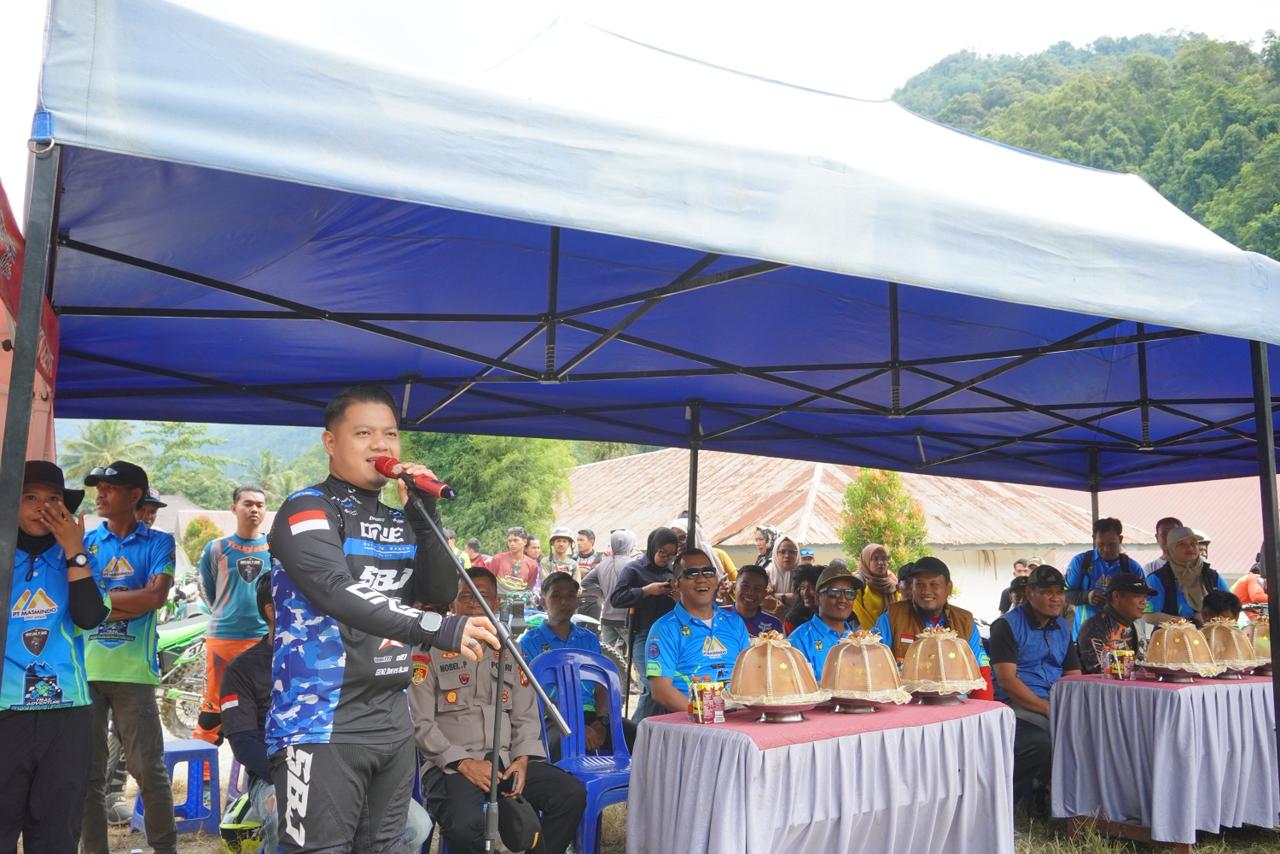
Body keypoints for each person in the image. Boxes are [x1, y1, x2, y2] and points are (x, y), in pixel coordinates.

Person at [266, 384, 498, 852]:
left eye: (390, 434)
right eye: (364, 433)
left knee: (388, 845)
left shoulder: (398, 520)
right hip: (320, 724)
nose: (381, 445)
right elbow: (335, 588)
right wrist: (438, 628)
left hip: (392, 721)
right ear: (330, 442)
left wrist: (424, 515)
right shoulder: (306, 508)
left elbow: (437, 593)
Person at [223, 574, 433, 854]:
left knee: (416, 824)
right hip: (275, 773)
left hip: (345, 766)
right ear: (272, 610)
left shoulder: (338, 656)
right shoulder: (242, 670)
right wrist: (284, 778)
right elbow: (243, 743)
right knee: (282, 819)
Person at [412, 566, 586, 854]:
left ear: (495, 603)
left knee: (570, 794)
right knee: (464, 825)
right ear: (452, 603)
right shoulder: (428, 650)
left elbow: (525, 715)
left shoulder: (510, 651)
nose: (473, 602)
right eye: (466, 596)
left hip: (506, 762)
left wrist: (522, 759)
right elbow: (420, 724)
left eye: (483, 596)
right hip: (452, 766)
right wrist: (464, 763)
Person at [1, 461, 108, 853]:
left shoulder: (82, 559)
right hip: (5, 711)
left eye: (53, 499)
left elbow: (89, 616)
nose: (41, 507)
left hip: (67, 713)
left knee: (57, 833)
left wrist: (74, 552)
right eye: (29, 497)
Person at [79, 460, 178, 854]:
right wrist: (126, 603)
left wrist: (98, 605)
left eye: (110, 488)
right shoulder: (85, 542)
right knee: (87, 776)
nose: (100, 494)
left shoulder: (159, 542)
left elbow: (156, 597)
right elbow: (77, 604)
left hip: (134, 673)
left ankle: (165, 849)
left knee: (148, 770)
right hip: (84, 671)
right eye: (98, 488)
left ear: (135, 494)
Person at [988, 564, 1081, 815]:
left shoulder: (1062, 626)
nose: (1056, 598)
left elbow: (1073, 674)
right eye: (1047, 592)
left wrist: (1072, 707)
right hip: (1016, 703)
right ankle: (1008, 807)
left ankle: (1075, 806)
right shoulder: (1006, 626)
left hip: (1054, 700)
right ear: (1029, 593)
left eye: (1059, 592)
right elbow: (1007, 681)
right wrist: (1048, 709)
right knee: (1044, 737)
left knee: (1092, 730)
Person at [519, 573, 636, 759]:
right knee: (563, 744)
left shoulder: (588, 639)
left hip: (591, 714)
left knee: (637, 735)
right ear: (543, 602)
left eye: (570, 596)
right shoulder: (529, 642)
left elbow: (601, 685)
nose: (564, 601)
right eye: (556, 595)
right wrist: (576, 727)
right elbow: (534, 693)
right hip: (551, 718)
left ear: (577, 601)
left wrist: (601, 721)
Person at [192, 484, 271, 744]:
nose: (254, 509)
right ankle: (203, 767)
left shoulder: (275, 548)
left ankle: (260, 767)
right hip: (223, 638)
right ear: (234, 508)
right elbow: (208, 591)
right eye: (248, 504)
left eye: (259, 505)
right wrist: (226, 611)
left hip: (263, 639)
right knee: (213, 709)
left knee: (264, 705)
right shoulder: (216, 548)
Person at [645, 549, 751, 713]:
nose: (701, 579)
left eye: (708, 572)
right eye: (692, 573)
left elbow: (750, 673)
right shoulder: (664, 629)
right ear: (676, 584)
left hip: (738, 716)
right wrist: (708, 714)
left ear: (716, 580)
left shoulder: (734, 622)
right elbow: (661, 691)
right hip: (693, 720)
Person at [872, 556, 992, 698]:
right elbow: (873, 665)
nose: (926, 591)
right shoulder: (892, 617)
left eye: (934, 584)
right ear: (912, 587)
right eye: (920, 584)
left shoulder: (964, 621)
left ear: (948, 588)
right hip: (906, 704)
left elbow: (981, 670)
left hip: (956, 704)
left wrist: (983, 708)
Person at [609, 528, 680, 721]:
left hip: (670, 638)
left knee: (669, 686)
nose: (666, 558)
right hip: (643, 634)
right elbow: (616, 599)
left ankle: (654, 730)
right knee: (653, 687)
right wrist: (645, 591)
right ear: (653, 547)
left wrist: (678, 598)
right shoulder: (634, 569)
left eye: (671, 554)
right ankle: (634, 732)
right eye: (662, 552)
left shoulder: (673, 571)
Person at [1063, 518, 1146, 634]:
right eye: (1101, 544)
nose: (1106, 549)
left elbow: (1143, 602)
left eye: (1112, 544)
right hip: (1085, 634)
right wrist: (1087, 596)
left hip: (1121, 636)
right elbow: (1066, 594)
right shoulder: (1081, 562)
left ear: (1120, 539)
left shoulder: (1132, 568)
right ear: (1094, 539)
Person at [788, 563, 864, 680]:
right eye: (834, 592)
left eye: (849, 593)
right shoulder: (799, 640)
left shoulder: (860, 639)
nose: (843, 599)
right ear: (817, 598)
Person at [1144, 525, 1229, 623]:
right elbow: (1149, 616)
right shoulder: (1158, 578)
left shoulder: (1212, 576)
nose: (1190, 548)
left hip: (1212, 631)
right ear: (1171, 549)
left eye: (1194, 543)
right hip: (1171, 632)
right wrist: (1188, 622)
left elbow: (1231, 606)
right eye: (1182, 544)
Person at [1076, 573, 1155, 674]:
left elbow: (1143, 665)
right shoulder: (1094, 626)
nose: (1144, 602)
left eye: (1145, 597)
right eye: (1137, 596)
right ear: (1116, 596)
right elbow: (1099, 673)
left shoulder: (1137, 625)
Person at [581, 528, 636, 653]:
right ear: (629, 544)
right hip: (625, 618)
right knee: (634, 653)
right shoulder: (633, 564)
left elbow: (585, 582)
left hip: (607, 617)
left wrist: (602, 593)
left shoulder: (603, 564)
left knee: (607, 654)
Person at [723, 565, 784, 636]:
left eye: (757, 589)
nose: (750, 592)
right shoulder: (717, 616)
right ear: (734, 588)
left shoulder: (773, 625)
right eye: (745, 586)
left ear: (765, 594)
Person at [851, 545, 899, 629]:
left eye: (884, 559)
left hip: (892, 634)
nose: (881, 563)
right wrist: (876, 633)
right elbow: (859, 615)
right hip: (868, 635)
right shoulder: (858, 583)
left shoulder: (892, 584)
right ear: (866, 561)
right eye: (875, 559)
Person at [489, 526, 540, 591]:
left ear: (525, 542)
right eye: (509, 541)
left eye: (515, 540)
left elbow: (529, 589)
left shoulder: (532, 565)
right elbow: (489, 583)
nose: (512, 544)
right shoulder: (498, 559)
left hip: (521, 597)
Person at [783, 564, 821, 634]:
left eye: (812, 588)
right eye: (802, 588)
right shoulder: (793, 619)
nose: (805, 593)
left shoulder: (837, 614)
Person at [766, 534, 800, 607]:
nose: (787, 556)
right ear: (775, 553)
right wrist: (791, 597)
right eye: (782, 551)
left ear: (797, 554)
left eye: (792, 552)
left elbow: (801, 599)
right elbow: (764, 598)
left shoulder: (803, 574)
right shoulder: (766, 573)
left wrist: (775, 596)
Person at [1231, 553, 1267, 619]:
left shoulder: (1246, 578)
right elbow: (1258, 597)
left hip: (1240, 613)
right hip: (1244, 616)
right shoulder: (1255, 577)